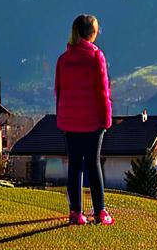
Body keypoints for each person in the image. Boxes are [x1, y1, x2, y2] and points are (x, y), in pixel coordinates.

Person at [54, 14, 114, 226]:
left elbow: (58, 92)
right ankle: (100, 212)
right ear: (93, 33)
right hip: (92, 122)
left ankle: (75, 213)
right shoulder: (97, 57)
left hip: (69, 122)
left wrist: (61, 118)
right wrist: (107, 121)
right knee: (93, 165)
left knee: (74, 167)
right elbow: (102, 93)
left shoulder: (63, 60)